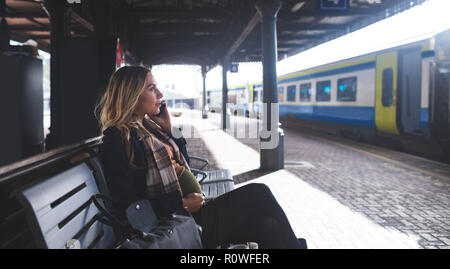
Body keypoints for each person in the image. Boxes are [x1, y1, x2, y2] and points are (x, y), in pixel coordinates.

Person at [97, 66, 306, 249]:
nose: (160, 94)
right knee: (259, 192)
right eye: (151, 88)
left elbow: (183, 163)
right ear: (131, 95)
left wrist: (171, 130)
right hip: (177, 224)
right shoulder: (118, 140)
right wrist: (182, 204)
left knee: (266, 227)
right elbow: (130, 206)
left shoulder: (149, 129)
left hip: (190, 214)